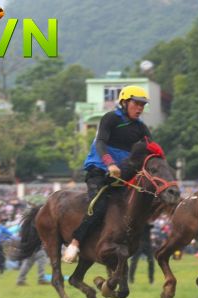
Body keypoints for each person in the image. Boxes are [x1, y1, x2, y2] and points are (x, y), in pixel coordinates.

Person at [63, 86, 154, 263]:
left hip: (122, 177)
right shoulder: (110, 118)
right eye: (136, 103)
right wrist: (110, 163)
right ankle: (75, 242)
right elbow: (100, 143)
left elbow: (151, 151)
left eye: (143, 105)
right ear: (124, 102)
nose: (140, 108)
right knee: (100, 206)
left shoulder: (141, 128)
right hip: (98, 171)